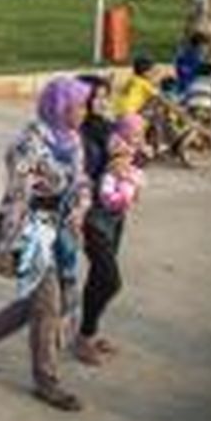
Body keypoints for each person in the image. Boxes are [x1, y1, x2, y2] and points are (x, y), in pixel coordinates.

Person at [0, 77, 93, 412]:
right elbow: (17, 198)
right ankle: (46, 382)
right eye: (79, 105)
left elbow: (80, 183)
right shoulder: (28, 146)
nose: (85, 112)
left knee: (39, 302)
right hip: (25, 233)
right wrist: (5, 248)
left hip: (55, 231)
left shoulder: (72, 140)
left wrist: (78, 215)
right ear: (60, 108)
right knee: (48, 303)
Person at [75, 113, 146, 366]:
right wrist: (110, 167)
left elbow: (135, 172)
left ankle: (88, 334)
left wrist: (132, 179)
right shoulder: (88, 137)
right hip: (92, 219)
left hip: (115, 219)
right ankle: (83, 336)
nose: (101, 103)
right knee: (109, 280)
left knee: (98, 277)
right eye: (97, 97)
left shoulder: (113, 132)